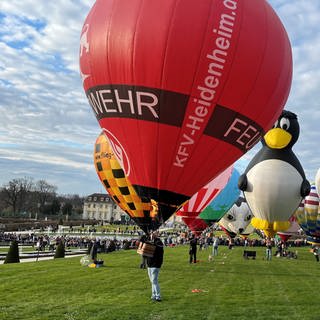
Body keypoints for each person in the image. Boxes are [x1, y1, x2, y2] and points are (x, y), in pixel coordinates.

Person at [147, 231, 164, 302]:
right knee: (152, 281)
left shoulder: (159, 242)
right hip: (150, 264)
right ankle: (153, 295)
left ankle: (158, 295)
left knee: (154, 280)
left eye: (153, 233)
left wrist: (151, 243)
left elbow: (158, 248)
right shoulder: (151, 241)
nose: (152, 234)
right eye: (151, 233)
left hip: (156, 264)